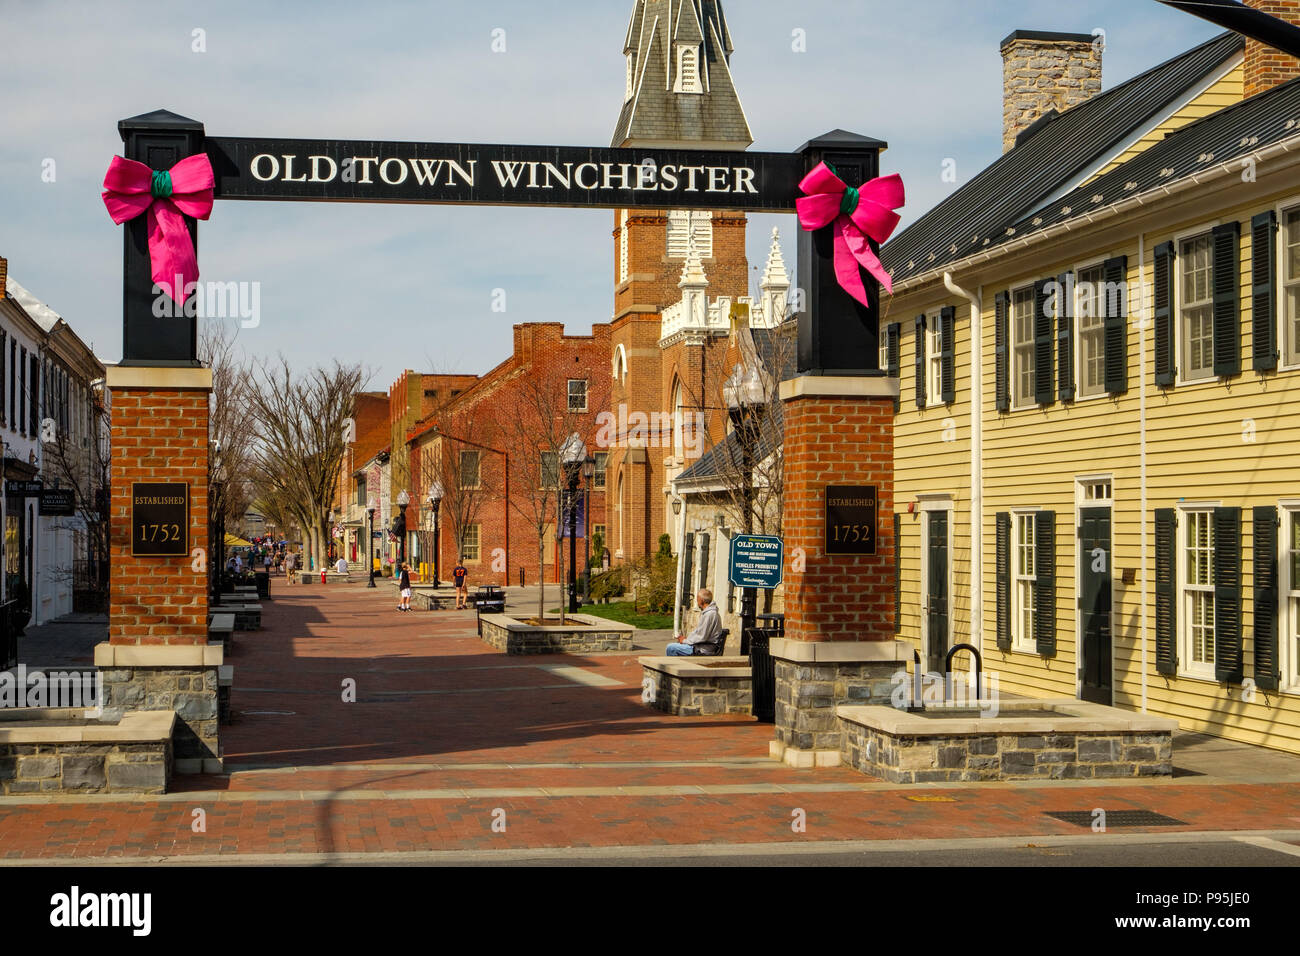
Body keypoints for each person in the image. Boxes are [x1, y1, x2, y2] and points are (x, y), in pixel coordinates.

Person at [667, 588, 723, 657]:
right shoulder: (710, 613)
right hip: (702, 646)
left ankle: (675, 667)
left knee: (671, 648)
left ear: (701, 600)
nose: (697, 601)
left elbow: (702, 636)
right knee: (676, 645)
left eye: (697, 599)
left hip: (702, 649)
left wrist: (685, 641)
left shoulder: (709, 615)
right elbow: (700, 633)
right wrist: (686, 639)